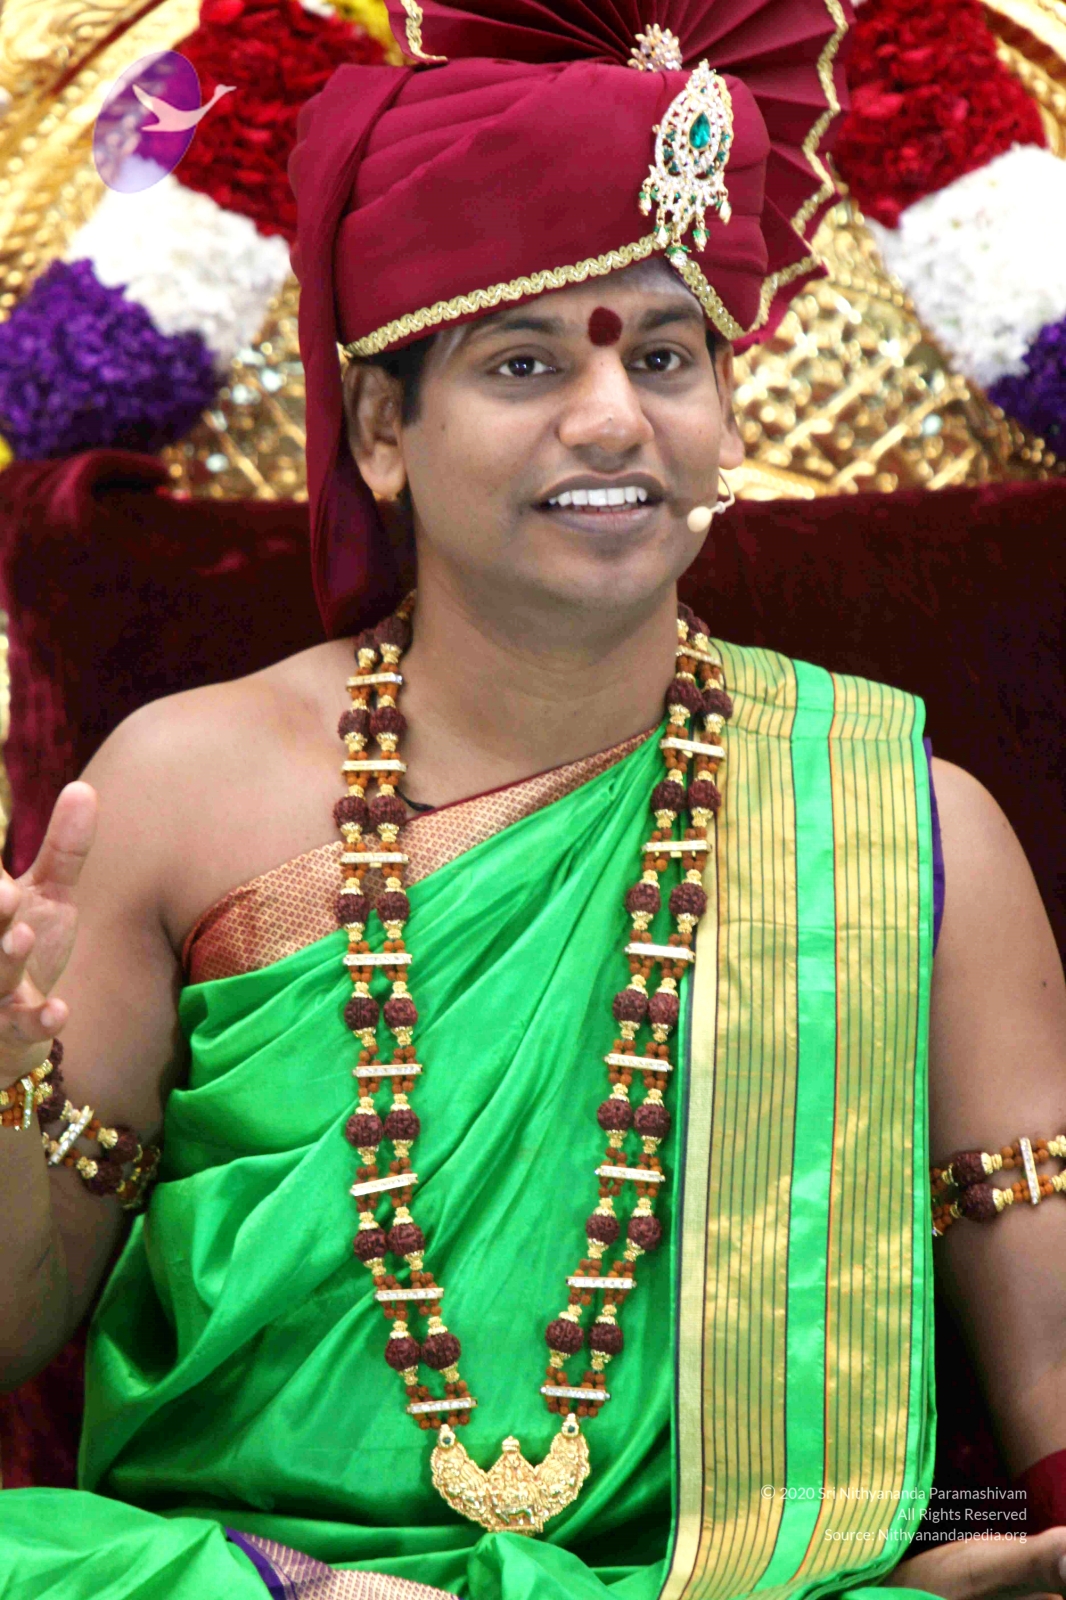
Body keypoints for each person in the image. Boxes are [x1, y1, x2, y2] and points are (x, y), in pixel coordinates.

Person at [1, 2, 1065, 1597]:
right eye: (522, 363)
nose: (613, 417)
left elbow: (1050, 1370)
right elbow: (15, 1330)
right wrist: (5, 1090)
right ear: (382, 431)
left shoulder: (907, 831)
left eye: (664, 357)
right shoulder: (180, 786)